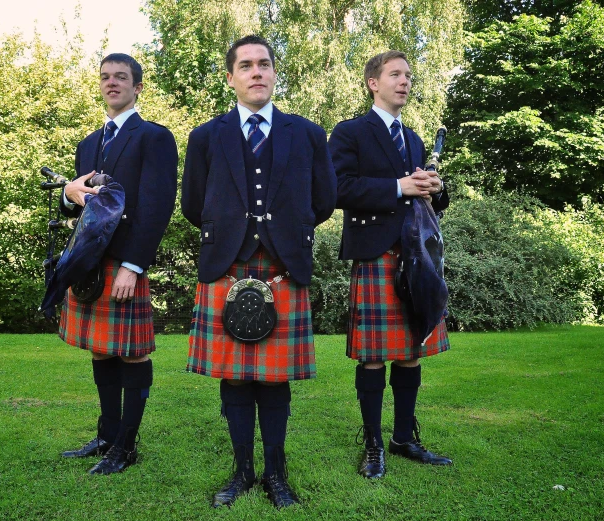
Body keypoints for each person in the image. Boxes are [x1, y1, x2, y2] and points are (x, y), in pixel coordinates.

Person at [181, 35, 336, 508]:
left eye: (264, 64)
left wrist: (287, 233)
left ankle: (276, 471)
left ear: (274, 73)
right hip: (227, 264)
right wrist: (230, 234)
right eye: (245, 65)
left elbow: (324, 200)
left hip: (283, 265)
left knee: (274, 378)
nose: (256, 72)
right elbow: (193, 204)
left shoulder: (306, 133)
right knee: (235, 377)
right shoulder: (207, 136)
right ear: (231, 77)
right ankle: (242, 470)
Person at [328, 50, 452, 480]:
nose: (405, 81)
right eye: (395, 74)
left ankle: (403, 436)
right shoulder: (349, 133)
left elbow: (430, 198)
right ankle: (373, 443)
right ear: (372, 83)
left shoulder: (415, 138)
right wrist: (399, 186)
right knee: (374, 357)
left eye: (408, 75)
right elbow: (337, 189)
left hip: (416, 255)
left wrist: (435, 188)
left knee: (412, 351)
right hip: (377, 252)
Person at [58, 53, 177, 475]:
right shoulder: (88, 143)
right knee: (102, 350)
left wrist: (134, 264)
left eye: (121, 77)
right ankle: (107, 435)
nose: (112, 83)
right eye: (105, 77)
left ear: (137, 86)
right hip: (91, 264)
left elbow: (157, 206)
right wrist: (67, 195)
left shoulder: (154, 138)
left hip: (124, 262)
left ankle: (126, 445)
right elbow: (83, 206)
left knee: (130, 354)